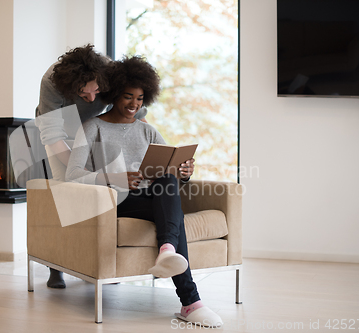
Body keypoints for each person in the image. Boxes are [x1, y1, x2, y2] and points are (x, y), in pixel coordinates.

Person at [65, 56, 223, 328]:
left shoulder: (147, 130)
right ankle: (191, 301)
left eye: (140, 99)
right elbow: (72, 175)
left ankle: (167, 251)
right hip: (115, 200)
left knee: (168, 179)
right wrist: (115, 177)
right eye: (128, 97)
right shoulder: (92, 128)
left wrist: (184, 172)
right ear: (114, 94)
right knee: (174, 219)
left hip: (151, 198)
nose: (134, 105)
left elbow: (170, 164)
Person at [35, 45, 147, 288]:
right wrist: (81, 170)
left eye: (97, 92)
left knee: (105, 192)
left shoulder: (110, 71)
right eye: (84, 95)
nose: (93, 99)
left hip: (96, 129)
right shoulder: (51, 82)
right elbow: (53, 136)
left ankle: (96, 262)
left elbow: (135, 113)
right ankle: (57, 265)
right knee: (68, 192)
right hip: (61, 136)